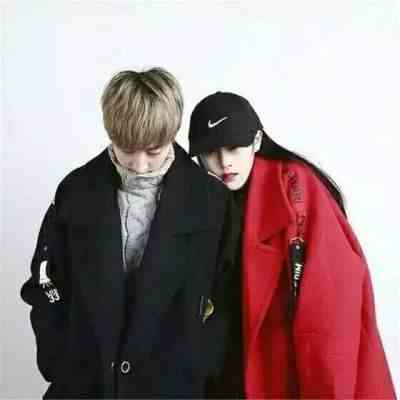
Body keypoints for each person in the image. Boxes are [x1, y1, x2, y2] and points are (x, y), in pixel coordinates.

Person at [21, 69, 235, 399]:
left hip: (174, 389)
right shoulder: (75, 190)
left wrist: (201, 364)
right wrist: (59, 359)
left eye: (153, 150)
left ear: (172, 134)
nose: (139, 164)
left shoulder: (211, 200)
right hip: (84, 388)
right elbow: (45, 280)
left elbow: (227, 292)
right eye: (126, 148)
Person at [188, 91, 396, 399]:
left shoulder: (295, 191)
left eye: (234, 148)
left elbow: (332, 306)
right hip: (226, 370)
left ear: (257, 141)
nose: (224, 162)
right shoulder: (198, 198)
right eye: (210, 151)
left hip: (288, 365)